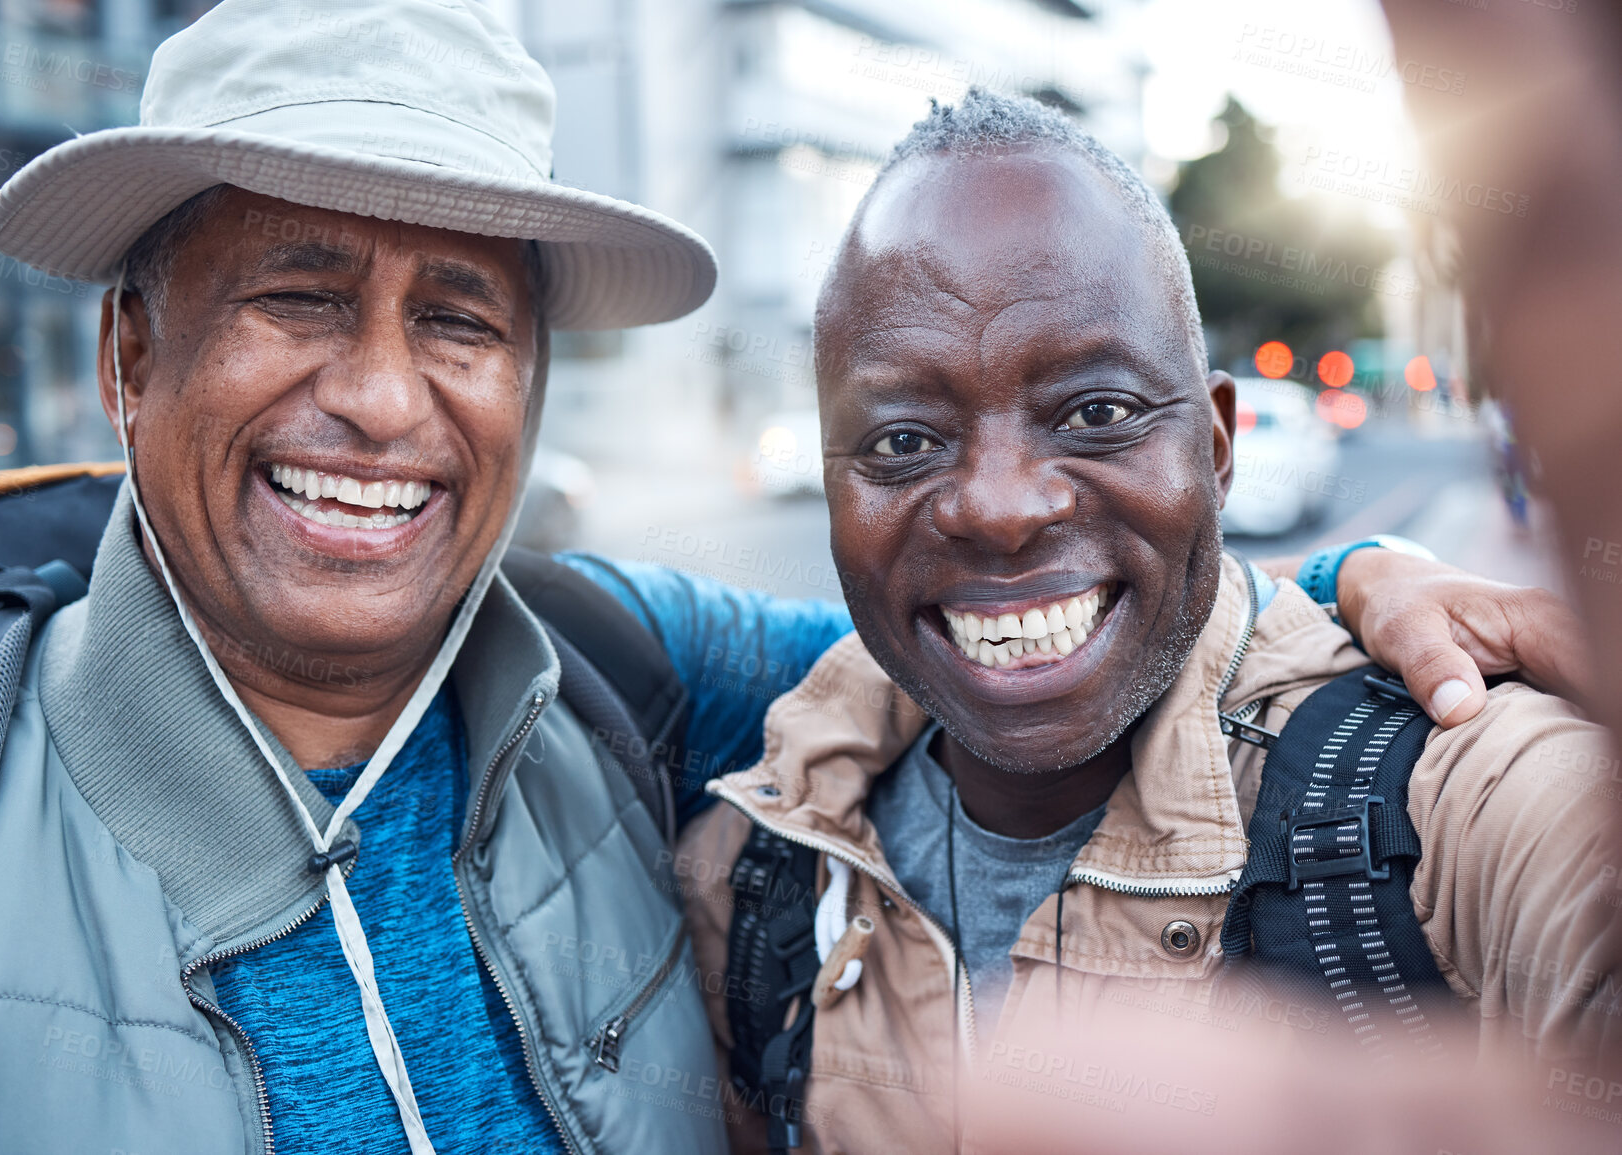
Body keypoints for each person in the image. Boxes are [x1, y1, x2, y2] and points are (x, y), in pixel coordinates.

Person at [0, 4, 1588, 1151]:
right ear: (131, 353)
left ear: (531, 385)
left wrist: (1360, 580)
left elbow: (1018, 643)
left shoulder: (624, 681)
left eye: (463, 320)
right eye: (298, 296)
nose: (387, 398)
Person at [676, 89, 1620, 1153]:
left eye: (1098, 413)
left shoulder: (1452, 792)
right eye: (902, 440)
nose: (1000, 506)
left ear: (1216, 450)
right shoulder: (758, 864)